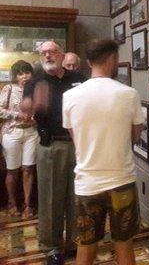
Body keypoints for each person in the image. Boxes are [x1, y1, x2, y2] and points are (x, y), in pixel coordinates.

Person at [62, 39, 144, 265]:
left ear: (88, 62)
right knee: (124, 244)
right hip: (122, 180)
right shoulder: (129, 94)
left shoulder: (69, 96)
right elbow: (135, 136)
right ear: (113, 60)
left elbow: (74, 137)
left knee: (86, 245)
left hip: (87, 181)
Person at [22, 41, 86, 265]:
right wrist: (29, 107)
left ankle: (76, 242)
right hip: (50, 146)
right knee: (50, 198)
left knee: (77, 197)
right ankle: (52, 248)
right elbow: (25, 109)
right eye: (43, 53)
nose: (47, 55)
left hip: (80, 145)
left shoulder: (79, 79)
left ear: (61, 55)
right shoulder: (35, 82)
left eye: (51, 52)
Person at [0, 60, 37, 219]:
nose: (24, 76)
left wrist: (37, 118)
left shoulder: (36, 89)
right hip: (12, 132)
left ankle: (28, 204)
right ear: (15, 76)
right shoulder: (9, 89)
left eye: (27, 72)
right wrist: (17, 115)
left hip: (31, 132)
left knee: (28, 168)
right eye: (20, 73)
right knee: (12, 169)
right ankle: (12, 202)